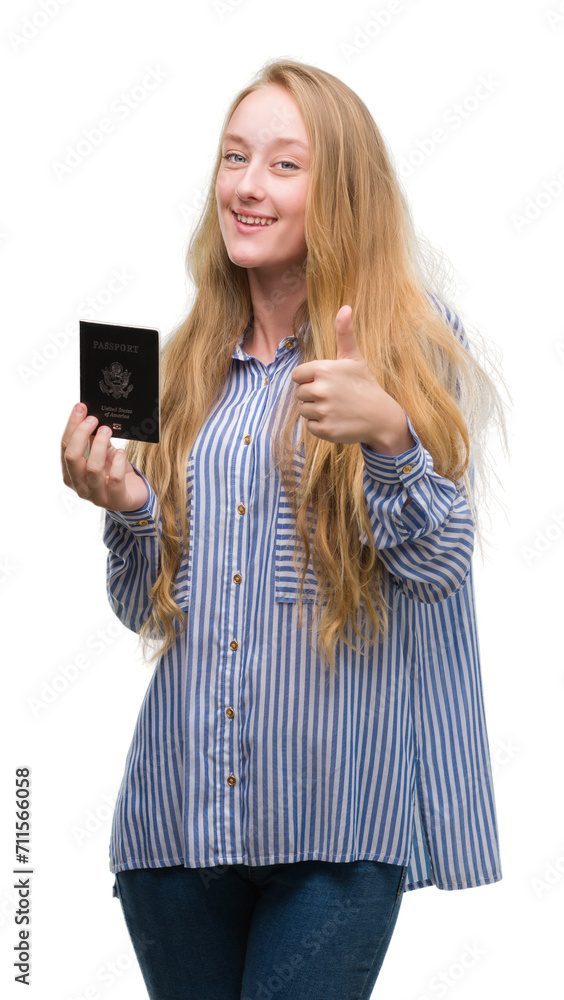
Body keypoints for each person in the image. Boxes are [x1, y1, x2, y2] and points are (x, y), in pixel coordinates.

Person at [61, 58, 505, 1000]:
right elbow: (146, 610)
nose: (246, 187)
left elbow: (440, 566)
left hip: (336, 828)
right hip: (176, 827)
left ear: (340, 192)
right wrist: (131, 511)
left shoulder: (411, 352)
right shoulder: (180, 368)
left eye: (283, 165)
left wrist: (390, 439)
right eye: (233, 158)